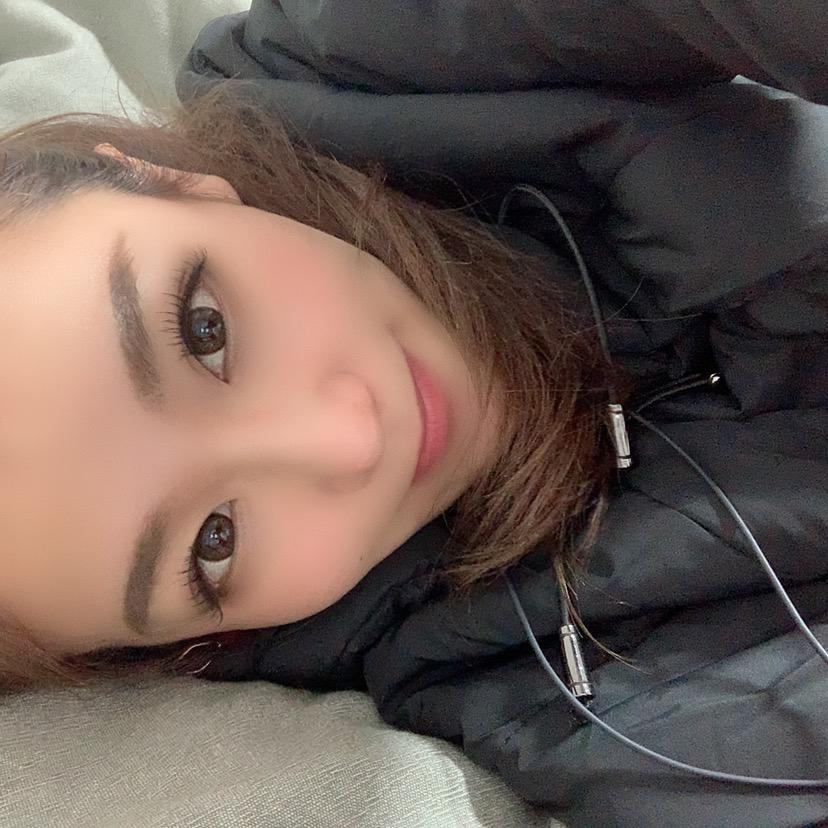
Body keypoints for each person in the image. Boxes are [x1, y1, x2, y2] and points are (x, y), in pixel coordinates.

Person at [2, 3, 828, 826]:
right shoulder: (563, 705)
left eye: (204, 329)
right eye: (213, 542)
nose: (351, 440)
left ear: (162, 178)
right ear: (187, 648)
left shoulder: (354, 59)